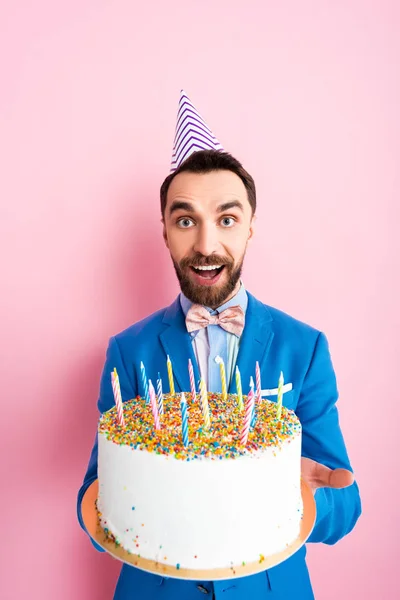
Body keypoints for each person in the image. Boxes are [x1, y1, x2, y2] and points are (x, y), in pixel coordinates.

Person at [77, 92, 361, 599]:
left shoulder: (305, 349)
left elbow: (346, 504)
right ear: (164, 231)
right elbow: (98, 498)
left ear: (251, 226)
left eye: (226, 219)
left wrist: (298, 495)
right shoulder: (128, 352)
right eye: (185, 220)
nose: (206, 244)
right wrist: (106, 509)